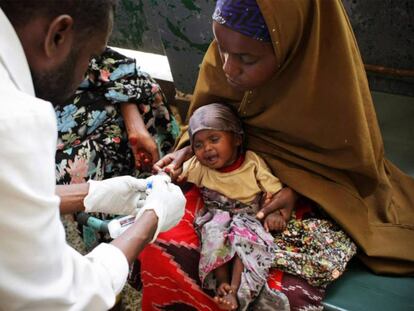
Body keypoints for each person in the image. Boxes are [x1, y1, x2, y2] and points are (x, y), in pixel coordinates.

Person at [143, 0, 414, 310]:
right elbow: (209, 121)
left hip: (296, 200)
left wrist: (296, 191)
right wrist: (187, 151)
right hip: (224, 183)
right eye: (220, 48)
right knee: (160, 244)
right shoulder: (226, 60)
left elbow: (345, 168)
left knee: (280, 288)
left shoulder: (327, 85)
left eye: (246, 58)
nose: (228, 68)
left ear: (292, 47)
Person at [0, 1, 185, 310]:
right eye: (88, 57)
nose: (88, 67)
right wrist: (152, 218)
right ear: (58, 35)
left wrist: (92, 194)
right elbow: (62, 298)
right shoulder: (17, 120)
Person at [179, 103, 356, 310]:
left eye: (214, 139)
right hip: (217, 215)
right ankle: (222, 283)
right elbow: (178, 174)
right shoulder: (199, 168)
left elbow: (273, 191)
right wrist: (168, 172)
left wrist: (274, 213)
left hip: (250, 216)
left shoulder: (252, 163)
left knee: (245, 240)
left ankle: (235, 290)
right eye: (198, 145)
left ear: (237, 139)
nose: (207, 148)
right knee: (213, 236)